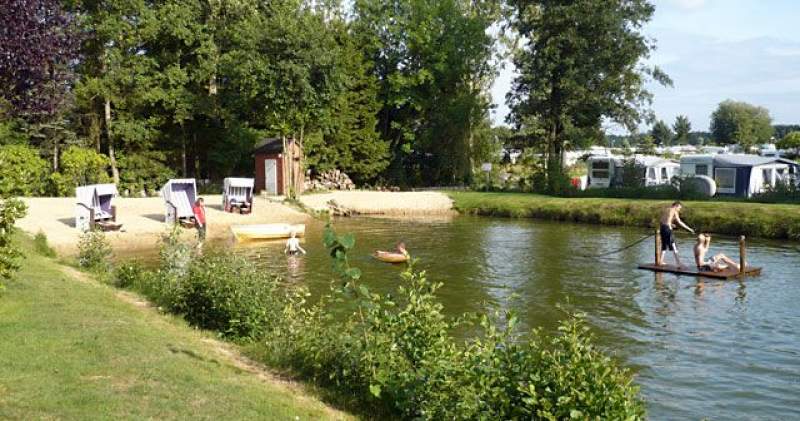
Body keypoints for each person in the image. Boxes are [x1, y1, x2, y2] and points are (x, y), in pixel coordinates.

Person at [659, 201, 695, 267]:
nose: (679, 209)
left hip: (662, 228)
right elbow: (679, 222)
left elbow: (661, 220)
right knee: (674, 245)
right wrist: (689, 229)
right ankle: (678, 263)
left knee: (664, 245)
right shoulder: (674, 211)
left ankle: (660, 261)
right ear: (676, 206)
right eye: (679, 208)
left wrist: (670, 224)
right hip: (667, 229)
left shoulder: (667, 209)